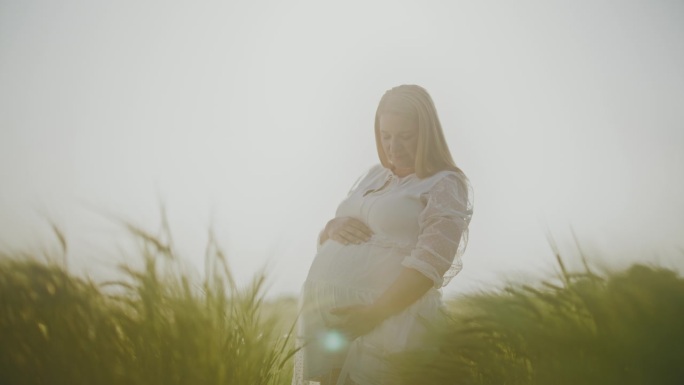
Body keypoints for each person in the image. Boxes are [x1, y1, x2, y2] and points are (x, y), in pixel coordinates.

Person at [292, 85, 474, 385]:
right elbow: (336, 235)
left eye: (405, 136)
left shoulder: (445, 184)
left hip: (386, 321)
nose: (393, 147)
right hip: (331, 320)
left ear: (427, 133)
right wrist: (330, 228)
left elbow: (431, 263)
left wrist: (373, 314)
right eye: (385, 136)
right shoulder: (374, 175)